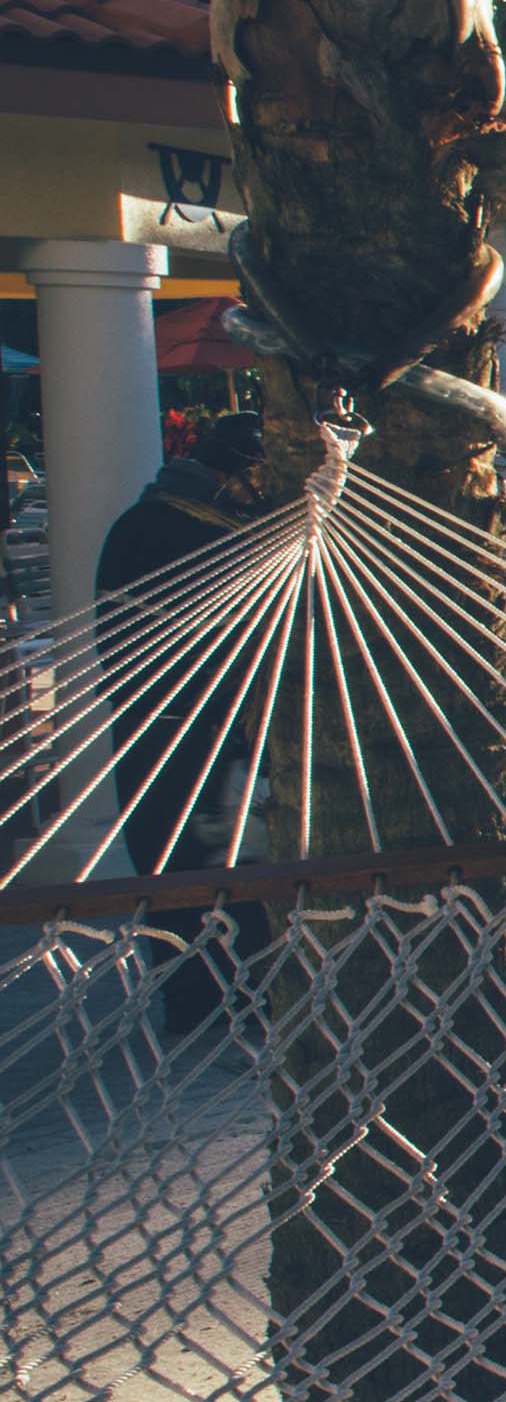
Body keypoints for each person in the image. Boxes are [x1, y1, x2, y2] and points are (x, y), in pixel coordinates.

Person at [97, 415, 273, 1033]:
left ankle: (215, 998)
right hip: (185, 724)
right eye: (259, 476)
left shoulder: (151, 521)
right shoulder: (180, 529)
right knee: (197, 860)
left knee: (209, 858)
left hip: (185, 723)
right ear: (236, 472)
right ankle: (215, 1000)